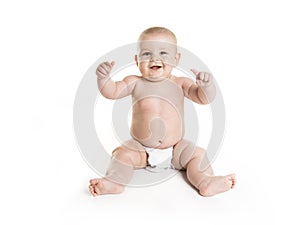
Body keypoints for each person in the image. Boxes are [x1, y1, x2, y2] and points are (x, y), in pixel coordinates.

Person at [89, 27, 236, 197]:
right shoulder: (135, 82)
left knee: (198, 154)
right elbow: (112, 91)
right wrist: (103, 79)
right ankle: (115, 181)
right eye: (146, 54)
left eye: (163, 53)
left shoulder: (181, 83)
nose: (155, 58)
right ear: (137, 60)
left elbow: (203, 98)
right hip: (141, 149)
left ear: (176, 59)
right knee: (121, 154)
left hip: (176, 149)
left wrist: (206, 86)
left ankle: (205, 181)